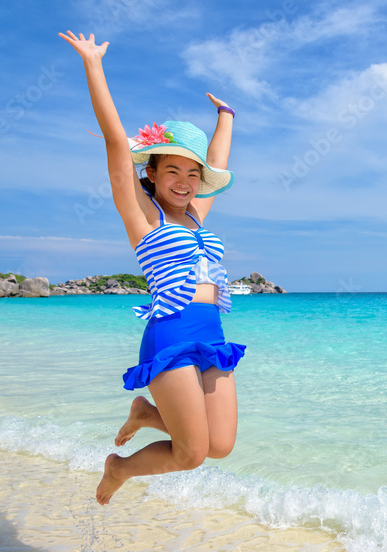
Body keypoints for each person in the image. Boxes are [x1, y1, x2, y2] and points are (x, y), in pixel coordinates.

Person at [60, 31, 246, 505]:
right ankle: (120, 468)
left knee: (220, 446)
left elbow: (216, 164)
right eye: (172, 171)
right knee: (191, 454)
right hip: (170, 334)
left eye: (192, 175)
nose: (184, 183)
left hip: (213, 335)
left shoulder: (197, 214)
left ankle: (145, 413)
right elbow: (115, 147)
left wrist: (226, 117)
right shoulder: (144, 217)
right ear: (152, 174)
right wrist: (93, 64)